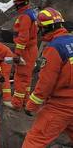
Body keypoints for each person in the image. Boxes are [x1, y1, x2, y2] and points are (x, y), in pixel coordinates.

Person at [22, 8, 73, 148]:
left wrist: (31, 106)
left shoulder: (54, 48)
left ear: (47, 28)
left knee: (34, 141)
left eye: (40, 28)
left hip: (61, 106)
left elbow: (46, 84)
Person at [6, 0, 38, 110]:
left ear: (18, 4)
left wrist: (17, 54)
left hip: (26, 51)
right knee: (27, 78)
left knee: (20, 77)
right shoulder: (30, 13)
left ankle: (16, 104)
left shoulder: (25, 16)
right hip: (31, 49)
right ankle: (25, 101)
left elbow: (23, 37)